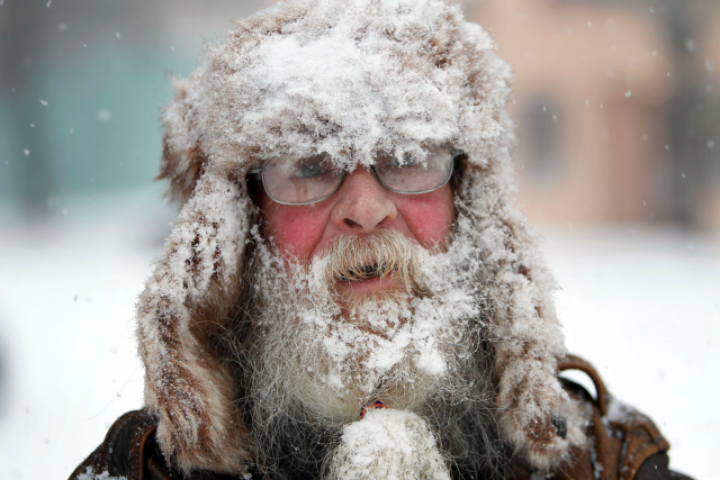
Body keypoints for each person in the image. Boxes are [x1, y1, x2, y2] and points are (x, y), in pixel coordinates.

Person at [70, 0, 691, 479]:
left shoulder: (601, 460)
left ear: (468, 203)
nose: (366, 210)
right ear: (239, 223)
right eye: (308, 167)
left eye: (408, 157)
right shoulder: (146, 470)